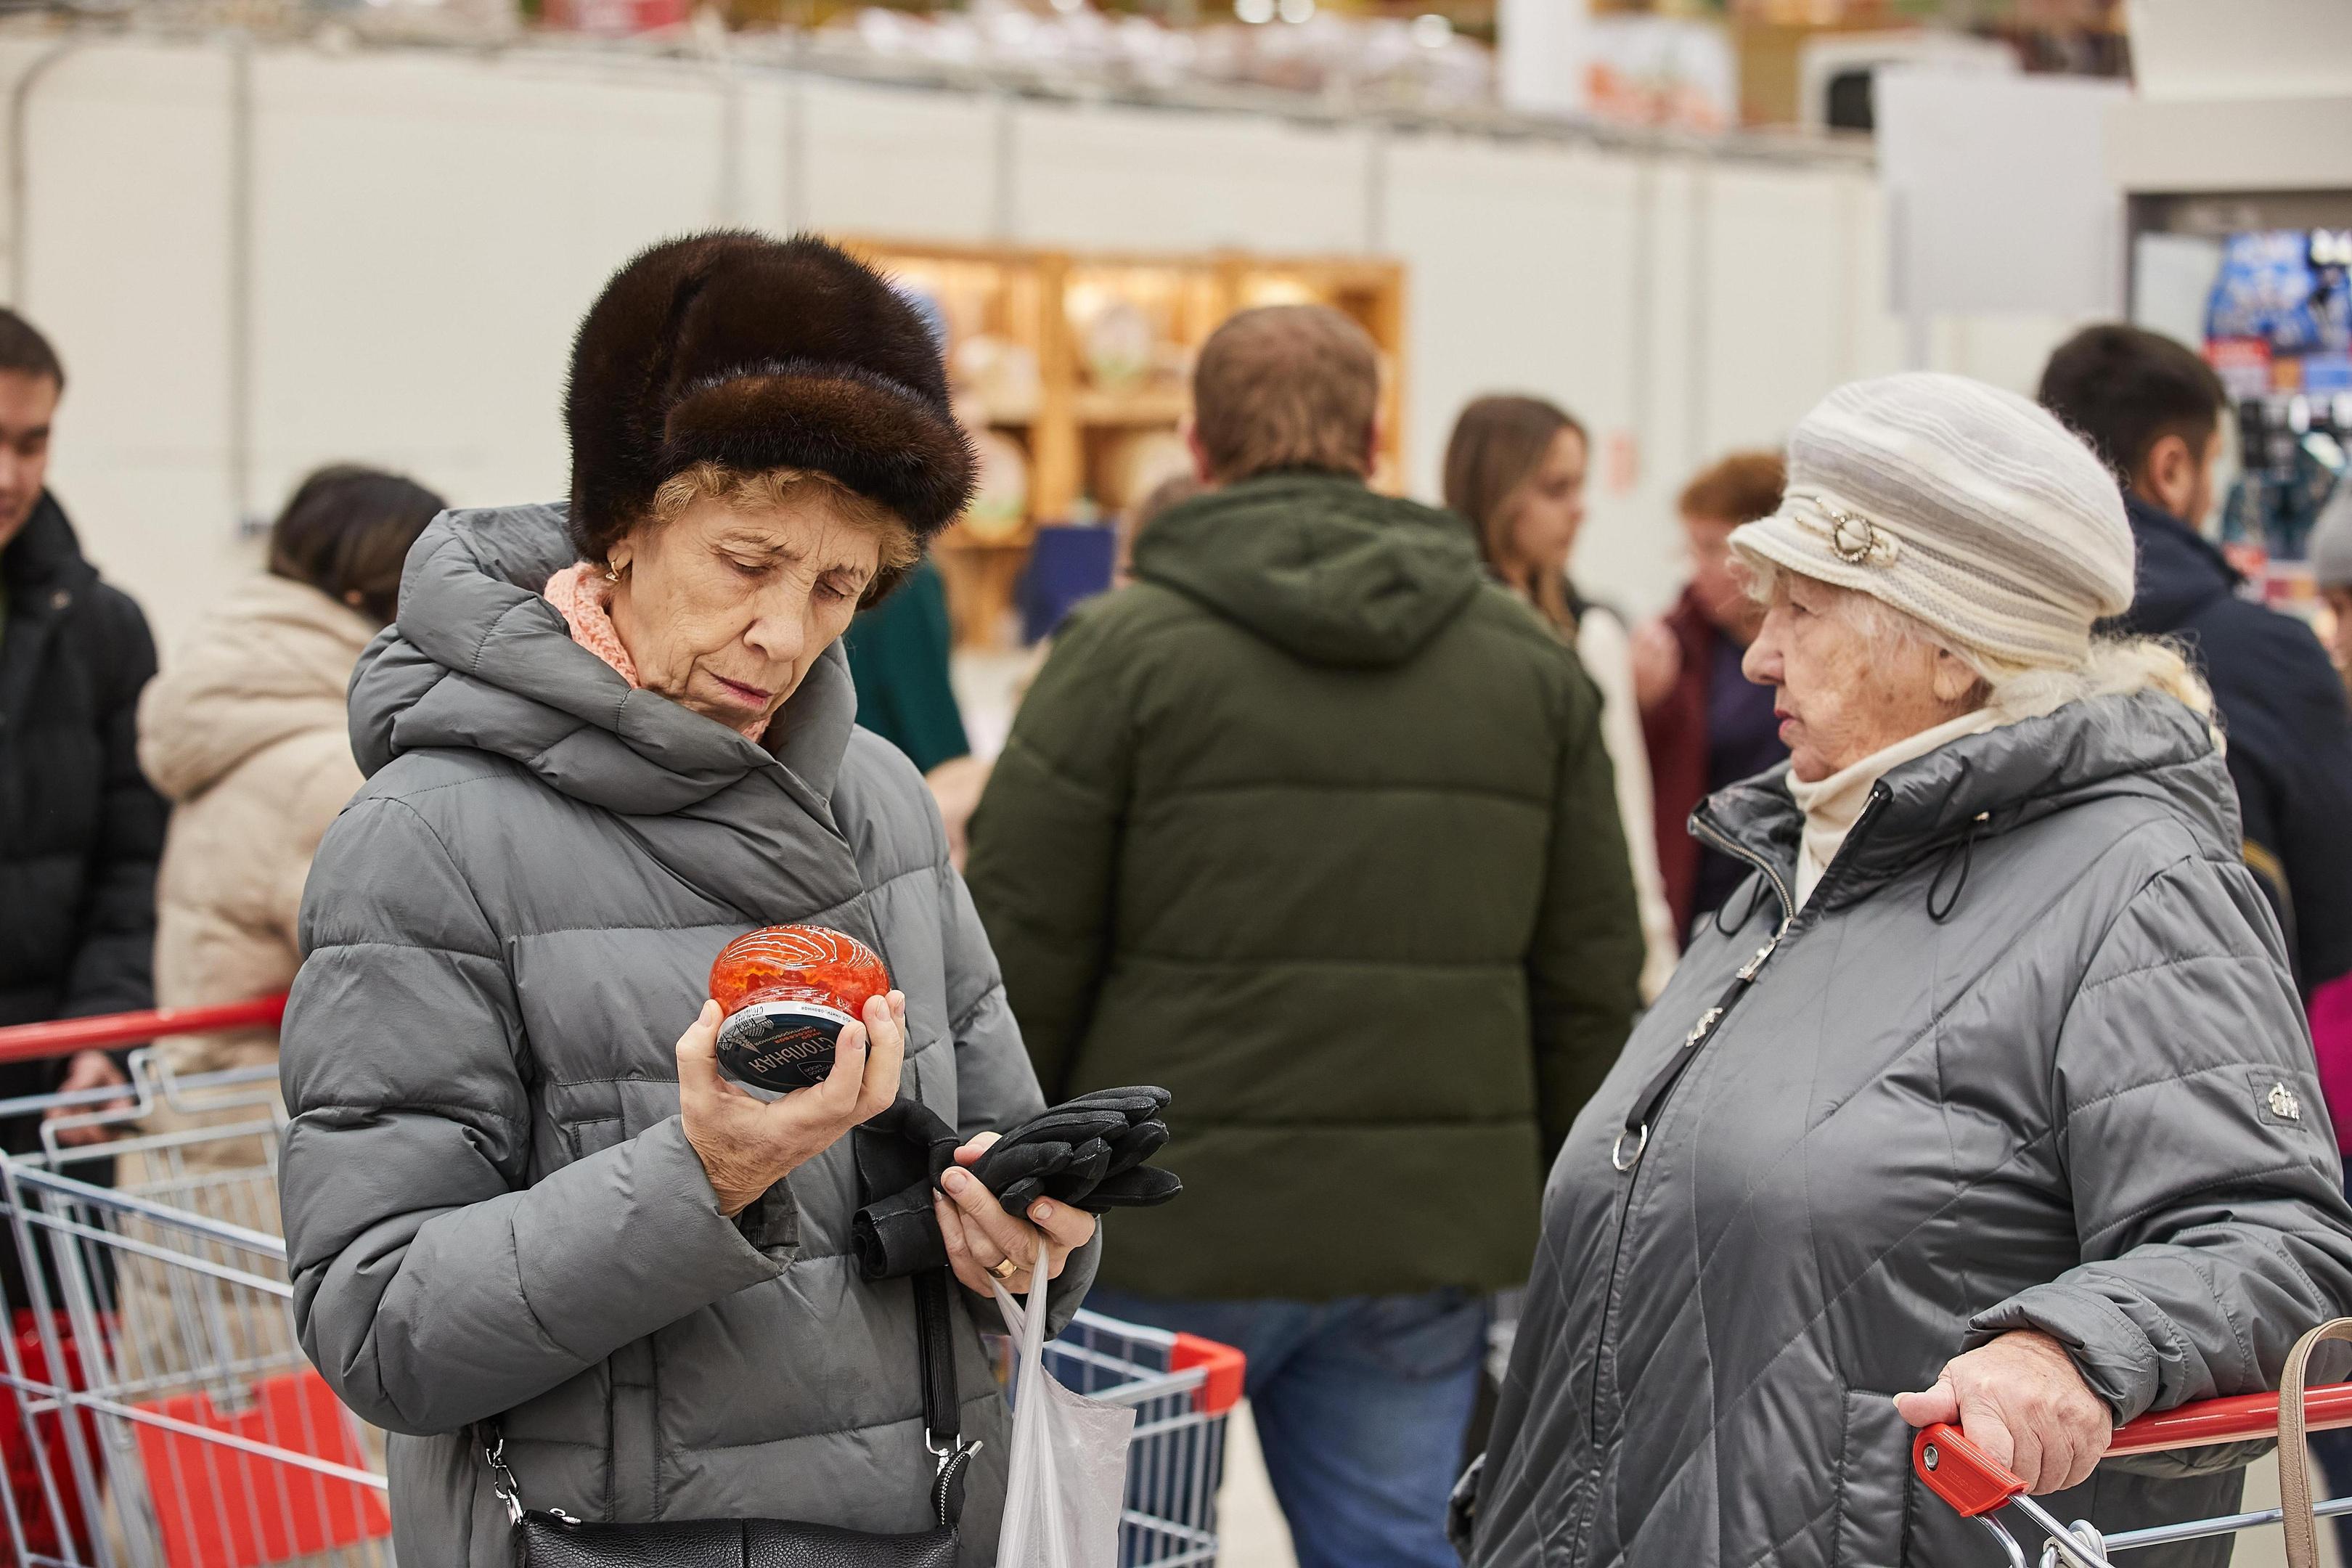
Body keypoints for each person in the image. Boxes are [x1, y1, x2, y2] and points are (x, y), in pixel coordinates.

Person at [277, 234, 1099, 1565]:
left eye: (839, 585)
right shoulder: (425, 839)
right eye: (746, 561)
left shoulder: (880, 799)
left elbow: (985, 1152)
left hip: (934, 1524)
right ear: (624, 527)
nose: (786, 632)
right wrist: (704, 1174)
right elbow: (380, 1327)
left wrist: (1027, 1226)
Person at [1462, 372, 2352, 1568]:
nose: (1761, 657)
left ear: (1951, 646)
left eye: (1806, 610)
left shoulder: (2137, 884)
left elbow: (2276, 1239)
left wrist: (2070, 1348)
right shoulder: (1801, 852)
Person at [967, 305, 1642, 1568]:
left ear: (1197, 444)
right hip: (1422, 1237)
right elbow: (1589, 980)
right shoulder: (1528, 663)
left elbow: (1016, 954)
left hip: (1155, 1227)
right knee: (1394, 1548)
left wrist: (1001, 1183)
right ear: (1378, 439)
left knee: (1120, 1550)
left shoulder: (1117, 654)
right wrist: (1560, 1213)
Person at [2040, 323, 2352, 996]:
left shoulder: (1983, 643)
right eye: (2213, 465)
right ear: (2172, 468)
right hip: (2234, 1053)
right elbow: (2338, 925)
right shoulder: (2270, 658)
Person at [139, 465, 446, 1093]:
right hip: (281, 1136)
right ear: (381, 593)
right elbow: (406, 978)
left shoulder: (248, 714)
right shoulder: (326, 765)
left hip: (213, 1114)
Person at [0, 306, 163, 1209]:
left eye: (33, 442)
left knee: (50, 1353)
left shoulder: (105, 630)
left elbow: (130, 869)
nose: (10, 475)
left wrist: (104, 1040)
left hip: (48, 1117)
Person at [1444, 393, 1677, 1000]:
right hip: (1476, 947)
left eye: (1581, 487)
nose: (1580, 511)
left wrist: (1656, 973)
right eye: (1556, 489)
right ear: (1497, 490)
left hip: (1573, 958)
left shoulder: (1589, 636)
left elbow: (1627, 819)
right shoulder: (1436, 632)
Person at [1630, 450, 1789, 939]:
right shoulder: (1673, 649)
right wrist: (1643, 707)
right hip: (1707, 912)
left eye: (1712, 547)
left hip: (1796, 896)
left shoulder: (1814, 646)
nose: (1696, 568)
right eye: (1692, 548)